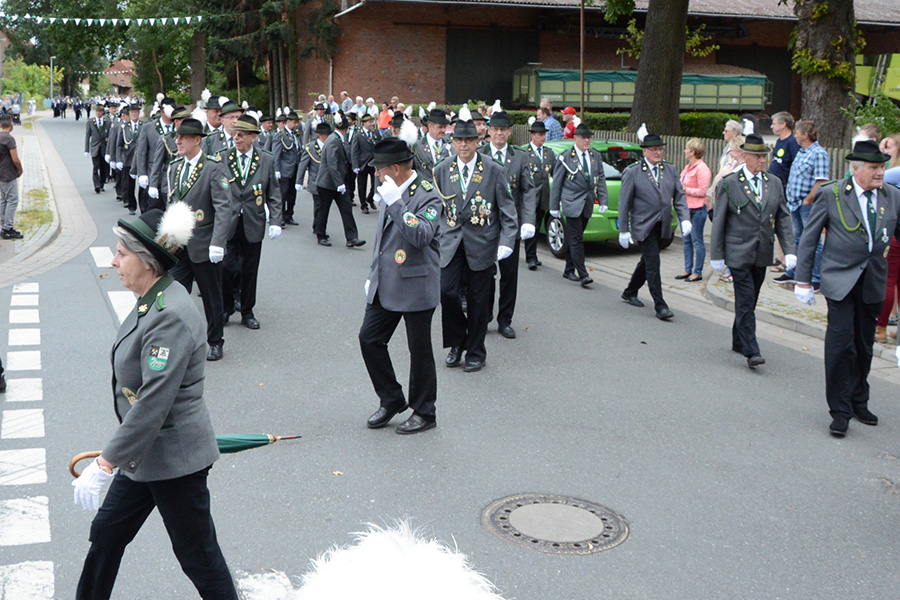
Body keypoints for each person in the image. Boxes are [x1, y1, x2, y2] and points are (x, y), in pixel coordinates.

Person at [72, 202, 239, 600]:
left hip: (175, 460)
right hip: (145, 453)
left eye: (121, 253)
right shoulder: (154, 298)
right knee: (107, 534)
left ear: (146, 261)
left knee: (198, 557)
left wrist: (106, 461)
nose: (114, 262)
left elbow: (152, 402)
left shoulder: (169, 314)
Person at [794, 140, 900, 437]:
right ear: (856, 169)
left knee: (864, 345)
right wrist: (803, 280)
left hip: (873, 281)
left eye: (882, 167)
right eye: (874, 167)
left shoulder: (893, 196)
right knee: (841, 345)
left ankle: (858, 400)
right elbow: (809, 238)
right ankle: (839, 410)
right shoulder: (833, 194)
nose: (880, 172)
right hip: (840, 280)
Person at [359, 137, 443, 434]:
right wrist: (373, 273)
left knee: (419, 351)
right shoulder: (390, 188)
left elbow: (421, 236)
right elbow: (382, 239)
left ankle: (425, 411)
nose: (376, 174)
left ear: (395, 168)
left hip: (416, 282)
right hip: (387, 279)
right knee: (369, 339)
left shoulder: (427, 194)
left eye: (380, 169)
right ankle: (392, 398)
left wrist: (396, 203)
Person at [433, 112, 517, 373]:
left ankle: (476, 351)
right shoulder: (442, 169)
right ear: (452, 142)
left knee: (479, 300)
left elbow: (508, 211)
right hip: (451, 242)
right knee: (447, 292)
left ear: (478, 141)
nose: (464, 145)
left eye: (469, 140)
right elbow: (436, 208)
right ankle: (457, 341)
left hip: (482, 242)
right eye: (459, 140)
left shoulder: (493, 169)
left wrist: (507, 241)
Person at [710, 134, 795, 368]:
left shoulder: (773, 182)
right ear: (745, 156)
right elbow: (719, 220)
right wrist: (717, 254)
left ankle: (738, 339)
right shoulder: (730, 183)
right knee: (746, 298)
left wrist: (789, 250)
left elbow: (783, 217)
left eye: (764, 156)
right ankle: (751, 349)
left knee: (751, 298)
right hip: (737, 250)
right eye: (757, 156)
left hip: (762, 251)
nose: (762, 160)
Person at [166, 118, 234, 361]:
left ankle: (215, 341)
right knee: (175, 295)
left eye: (183, 137)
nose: (178, 141)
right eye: (177, 137)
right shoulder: (175, 167)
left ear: (197, 140)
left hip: (204, 243)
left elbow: (224, 208)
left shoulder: (213, 168)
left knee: (211, 296)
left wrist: (218, 242)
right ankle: (178, 340)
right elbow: (172, 203)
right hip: (179, 245)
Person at [618, 133, 691, 320]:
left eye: (660, 149)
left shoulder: (669, 169)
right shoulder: (633, 172)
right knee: (653, 263)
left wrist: (685, 218)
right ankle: (660, 305)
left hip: (662, 225)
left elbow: (679, 196)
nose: (658, 153)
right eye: (654, 149)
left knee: (647, 260)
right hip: (643, 225)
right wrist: (623, 230)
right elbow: (624, 203)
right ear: (645, 151)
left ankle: (630, 291)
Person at [220, 114, 282, 330]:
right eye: (234, 134)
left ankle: (247, 311)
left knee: (249, 270)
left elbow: (273, 192)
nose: (236, 138)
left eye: (241, 134)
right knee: (226, 268)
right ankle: (226, 307)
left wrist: (276, 220)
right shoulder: (223, 157)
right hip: (229, 221)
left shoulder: (265, 159)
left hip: (253, 221)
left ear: (253, 137)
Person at [480, 109, 538, 338]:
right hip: (484, 224)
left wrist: (528, 221)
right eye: (495, 129)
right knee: (485, 275)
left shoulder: (520, 157)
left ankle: (505, 320)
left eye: (503, 130)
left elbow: (528, 190)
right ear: (489, 131)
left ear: (510, 132)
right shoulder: (481, 154)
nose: (499, 134)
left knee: (509, 275)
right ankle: (484, 316)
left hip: (510, 226)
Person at [549, 122, 607, 287]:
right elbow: (557, 183)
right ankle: (583, 274)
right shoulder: (566, 157)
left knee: (575, 238)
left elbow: (600, 178)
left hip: (587, 202)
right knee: (577, 239)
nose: (587, 140)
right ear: (575, 138)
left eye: (588, 137)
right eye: (583, 137)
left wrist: (603, 199)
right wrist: (554, 206)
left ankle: (569, 269)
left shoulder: (595, 156)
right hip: (571, 202)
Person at [775, 120, 829, 287]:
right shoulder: (801, 152)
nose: (795, 136)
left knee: (812, 241)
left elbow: (821, 181)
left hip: (807, 204)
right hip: (795, 203)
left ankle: (816, 277)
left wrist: (808, 199)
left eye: (797, 133)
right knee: (797, 239)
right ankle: (794, 272)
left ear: (805, 135)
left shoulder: (818, 153)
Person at [315, 112, 366, 248]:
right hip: (327, 183)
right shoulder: (333, 140)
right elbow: (332, 164)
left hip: (338, 182)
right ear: (345, 129)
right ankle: (321, 235)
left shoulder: (337, 139)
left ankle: (352, 238)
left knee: (346, 209)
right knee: (324, 210)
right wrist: (339, 183)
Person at [676, 138, 712, 282]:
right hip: (685, 208)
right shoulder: (688, 167)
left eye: (687, 149)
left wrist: (685, 189)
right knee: (686, 241)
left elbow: (703, 191)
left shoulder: (702, 169)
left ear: (692, 152)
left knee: (697, 241)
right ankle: (687, 269)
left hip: (697, 210)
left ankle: (697, 272)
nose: (684, 151)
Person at [523, 119, 556, 270]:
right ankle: (530, 256)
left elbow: (554, 173)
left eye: (544, 134)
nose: (543, 137)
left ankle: (533, 254)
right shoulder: (525, 153)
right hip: (530, 197)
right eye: (540, 134)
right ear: (533, 136)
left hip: (544, 196)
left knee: (537, 226)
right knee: (531, 225)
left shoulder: (549, 153)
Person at [297, 121, 332, 238]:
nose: (327, 137)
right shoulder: (311, 147)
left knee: (324, 206)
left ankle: (318, 226)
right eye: (325, 135)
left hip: (327, 182)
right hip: (315, 181)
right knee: (319, 205)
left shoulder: (330, 146)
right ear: (319, 135)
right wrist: (299, 181)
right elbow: (303, 165)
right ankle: (318, 228)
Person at [273, 109, 302, 227]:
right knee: (282, 195)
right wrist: (276, 169)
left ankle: (289, 215)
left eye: (297, 123)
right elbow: (276, 154)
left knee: (292, 194)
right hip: (284, 170)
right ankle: (279, 217)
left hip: (294, 169)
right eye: (294, 122)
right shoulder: (280, 135)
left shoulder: (295, 135)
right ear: (288, 122)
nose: (296, 125)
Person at [114, 103, 144, 216]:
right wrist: (118, 159)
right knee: (129, 184)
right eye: (132, 112)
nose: (134, 114)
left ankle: (143, 206)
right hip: (128, 158)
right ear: (129, 114)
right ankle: (131, 205)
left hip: (141, 159)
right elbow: (119, 145)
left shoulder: (144, 126)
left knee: (143, 185)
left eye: (136, 112)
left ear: (139, 113)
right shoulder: (124, 127)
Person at [0, 115, 24, 240]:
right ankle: (8, 228)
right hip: (8, 174)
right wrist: (20, 169)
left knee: (4, 200)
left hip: (1, 174)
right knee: (12, 200)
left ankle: (4, 226)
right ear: (11, 124)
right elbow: (15, 159)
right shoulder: (9, 139)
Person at [412, 108, 451, 183]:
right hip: (425, 187)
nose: (443, 130)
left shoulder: (449, 145)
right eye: (440, 127)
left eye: (444, 127)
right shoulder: (417, 145)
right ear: (430, 126)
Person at [351, 114, 379, 213]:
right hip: (362, 163)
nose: (372, 124)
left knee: (375, 184)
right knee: (362, 185)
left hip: (373, 163)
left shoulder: (375, 133)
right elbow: (354, 151)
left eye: (372, 122)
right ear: (364, 123)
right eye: (370, 122)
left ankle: (370, 198)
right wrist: (355, 165)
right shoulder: (358, 135)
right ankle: (363, 205)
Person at [768, 111, 799, 187]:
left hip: (785, 185)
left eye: (774, 124)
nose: (771, 126)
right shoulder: (779, 141)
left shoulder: (792, 142)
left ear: (783, 125)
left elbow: (796, 165)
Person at [85, 103, 110, 194]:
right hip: (95, 147)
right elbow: (87, 136)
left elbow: (110, 136)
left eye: (100, 111)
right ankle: (96, 185)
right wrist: (86, 150)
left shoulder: (107, 122)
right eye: (97, 111)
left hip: (104, 147)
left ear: (103, 112)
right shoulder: (90, 122)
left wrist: (109, 150)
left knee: (103, 167)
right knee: (95, 167)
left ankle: (101, 184)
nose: (98, 113)